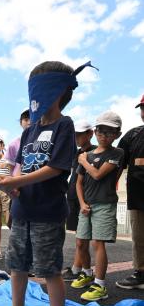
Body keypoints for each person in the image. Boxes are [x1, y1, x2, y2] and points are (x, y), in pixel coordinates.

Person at [0, 60, 98, 306]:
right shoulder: (29, 131)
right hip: (23, 210)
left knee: (49, 269)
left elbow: (56, 168)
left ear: (57, 91)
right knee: (17, 265)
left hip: (48, 212)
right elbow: (21, 169)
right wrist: (13, 187)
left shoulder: (65, 125)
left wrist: (17, 183)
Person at [71, 111, 124, 301]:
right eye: (101, 130)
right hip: (86, 205)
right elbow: (78, 183)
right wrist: (82, 203)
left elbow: (98, 174)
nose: (104, 135)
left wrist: (84, 161)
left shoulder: (116, 153)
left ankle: (100, 285)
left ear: (117, 134)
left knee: (97, 243)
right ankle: (87, 273)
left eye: (110, 132)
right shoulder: (88, 154)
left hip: (104, 205)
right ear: (95, 131)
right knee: (80, 242)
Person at [116, 95, 144, 290]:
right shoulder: (133, 135)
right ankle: (141, 272)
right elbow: (118, 162)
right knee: (140, 236)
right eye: (142, 108)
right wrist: (110, 188)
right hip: (138, 197)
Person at [62, 120, 95, 281]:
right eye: (76, 134)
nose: (77, 137)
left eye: (81, 134)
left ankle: (77, 268)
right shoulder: (75, 153)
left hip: (87, 199)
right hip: (73, 197)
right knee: (78, 235)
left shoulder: (96, 152)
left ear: (90, 134)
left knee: (83, 239)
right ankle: (79, 268)